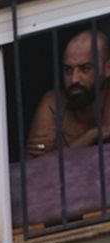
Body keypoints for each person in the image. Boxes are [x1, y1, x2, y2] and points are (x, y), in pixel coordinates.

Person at [26, 24, 110, 155]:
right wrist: (92, 135)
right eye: (68, 70)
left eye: (85, 68)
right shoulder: (53, 103)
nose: (74, 79)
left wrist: (60, 150)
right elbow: (33, 164)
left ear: (107, 68)